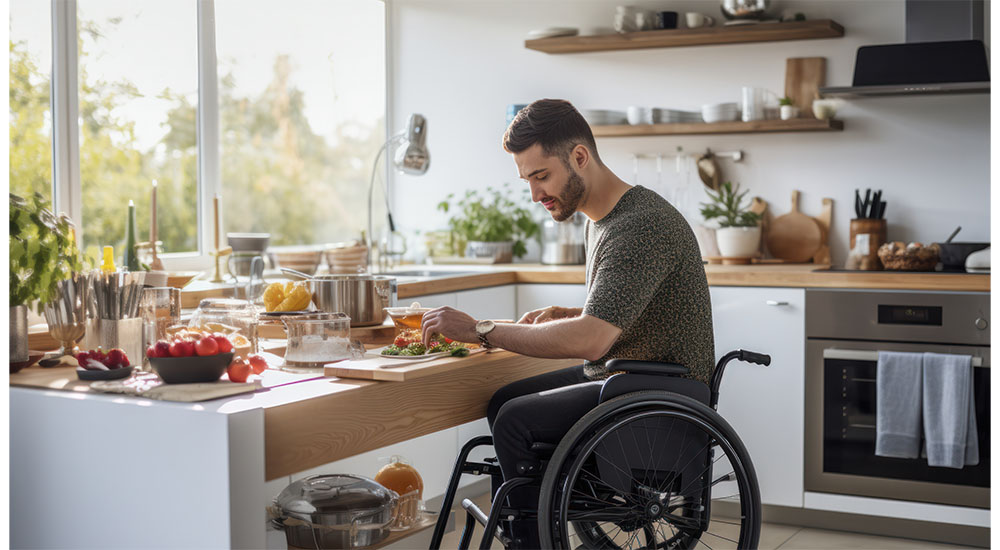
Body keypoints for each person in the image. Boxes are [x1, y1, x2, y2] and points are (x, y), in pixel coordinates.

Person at [420, 98, 714, 548]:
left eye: (542, 176)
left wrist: (479, 329)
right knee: (504, 402)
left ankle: (532, 534)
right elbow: (617, 318)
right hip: (629, 380)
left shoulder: (641, 225)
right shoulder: (604, 220)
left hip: (656, 397)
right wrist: (570, 314)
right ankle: (531, 520)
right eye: (528, 180)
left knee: (516, 421)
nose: (535, 194)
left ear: (580, 157)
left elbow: (593, 341)